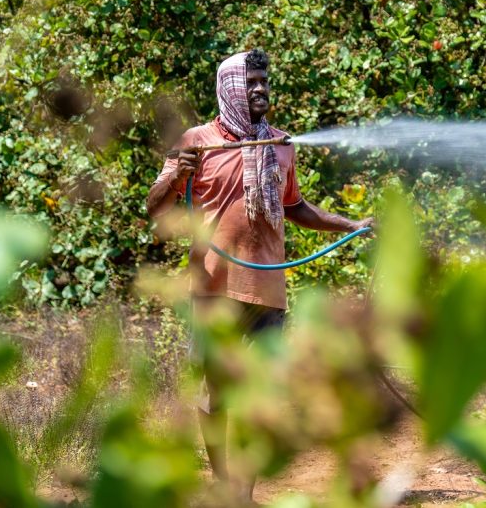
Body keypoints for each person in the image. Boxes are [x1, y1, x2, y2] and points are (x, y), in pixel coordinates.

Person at [146, 48, 373, 503]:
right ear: (229, 88)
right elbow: (155, 210)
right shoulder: (199, 140)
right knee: (216, 395)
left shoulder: (280, 143)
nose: (261, 91)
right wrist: (176, 176)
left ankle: (243, 495)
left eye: (265, 82)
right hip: (213, 288)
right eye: (250, 84)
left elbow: (294, 207)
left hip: (268, 288)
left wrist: (352, 224)